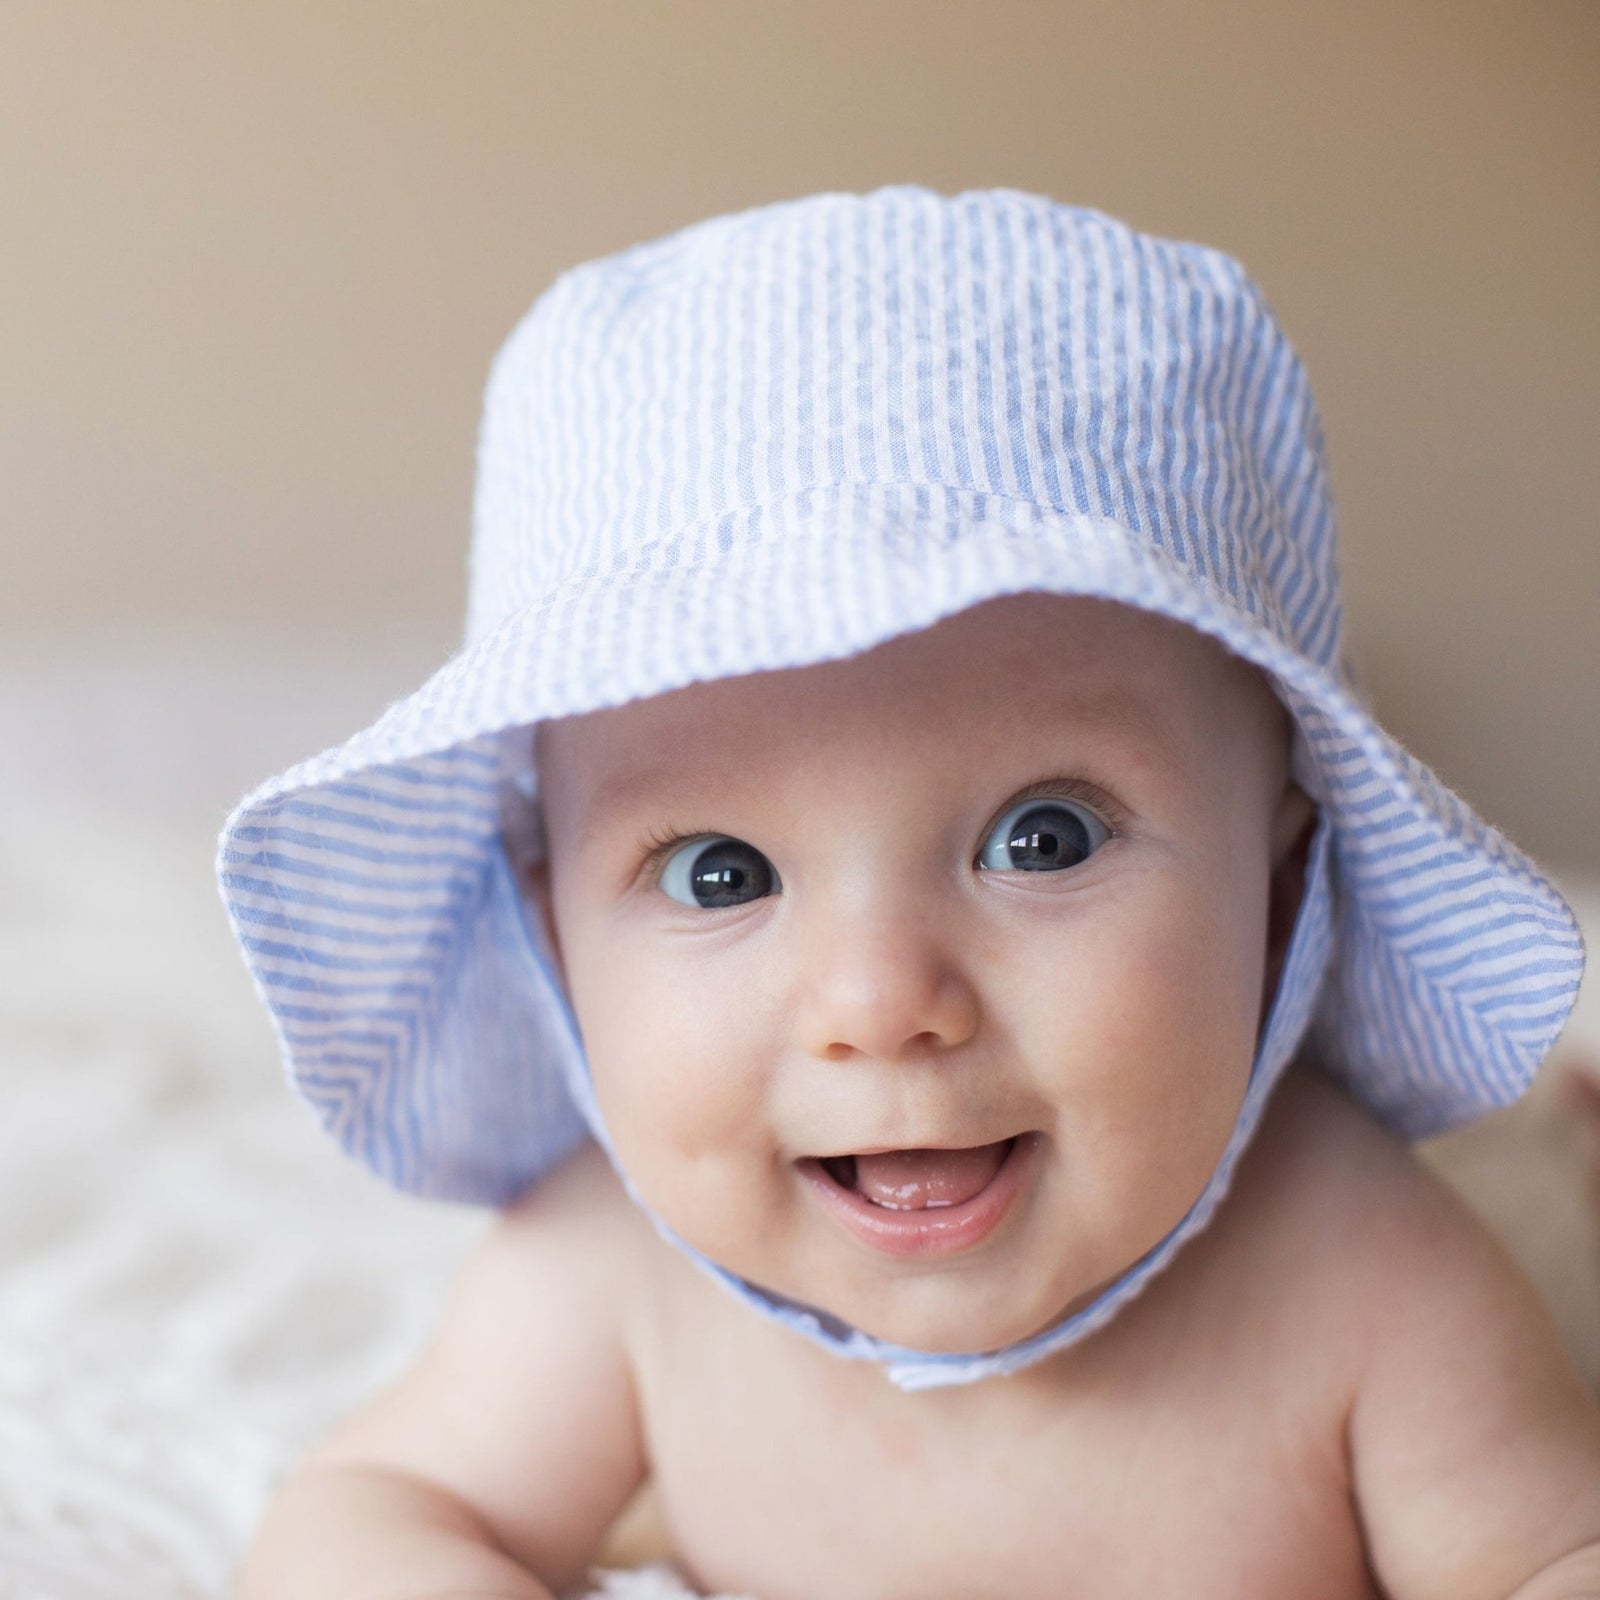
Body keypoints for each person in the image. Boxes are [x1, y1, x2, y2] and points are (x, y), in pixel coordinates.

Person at [219, 187, 1600, 1598]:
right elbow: (376, 1511)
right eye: (721, 874)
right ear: (555, 944)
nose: (882, 1005)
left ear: (1284, 879)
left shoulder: (1361, 1270)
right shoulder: (609, 1271)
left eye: (1044, 840)